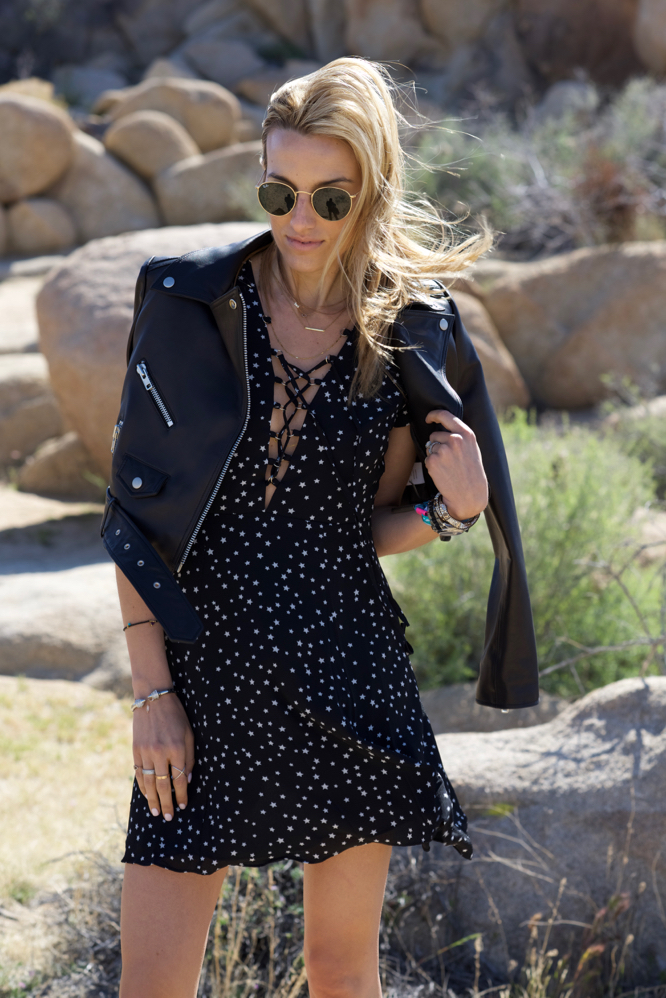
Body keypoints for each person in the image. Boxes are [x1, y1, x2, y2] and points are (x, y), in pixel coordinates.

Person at [105, 57, 538, 998]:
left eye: (329, 199)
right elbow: (135, 515)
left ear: (370, 192)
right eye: (279, 191)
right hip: (203, 674)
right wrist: (152, 694)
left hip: (348, 670)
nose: (299, 220)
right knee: (153, 984)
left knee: (342, 973)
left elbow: (360, 528)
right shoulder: (184, 304)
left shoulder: (407, 328)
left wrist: (452, 511)